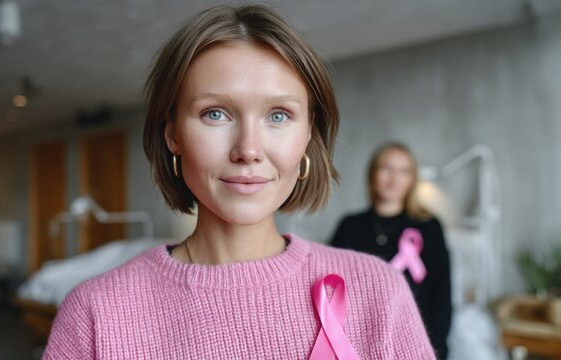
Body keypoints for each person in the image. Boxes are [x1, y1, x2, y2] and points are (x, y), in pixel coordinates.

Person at [44, 5, 435, 359]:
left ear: (307, 135)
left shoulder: (379, 291)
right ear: (172, 134)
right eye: (215, 114)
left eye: (279, 115)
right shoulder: (95, 314)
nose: (248, 149)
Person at [330, 142, 452, 359]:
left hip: (417, 339)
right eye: (386, 168)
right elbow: (333, 291)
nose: (394, 178)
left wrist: (434, 350)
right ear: (372, 173)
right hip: (358, 340)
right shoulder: (349, 226)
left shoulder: (430, 227)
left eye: (404, 171)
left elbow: (441, 296)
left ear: (412, 180)